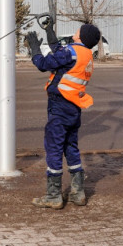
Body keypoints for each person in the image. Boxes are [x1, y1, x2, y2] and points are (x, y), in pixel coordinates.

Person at [26, 22, 101, 209]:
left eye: (78, 30)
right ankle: (78, 193)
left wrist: (34, 50)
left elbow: (44, 64)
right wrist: (50, 32)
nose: (76, 31)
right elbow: (61, 52)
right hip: (74, 106)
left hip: (59, 106)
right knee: (70, 146)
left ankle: (53, 196)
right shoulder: (85, 54)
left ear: (81, 36)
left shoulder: (71, 52)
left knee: (54, 147)